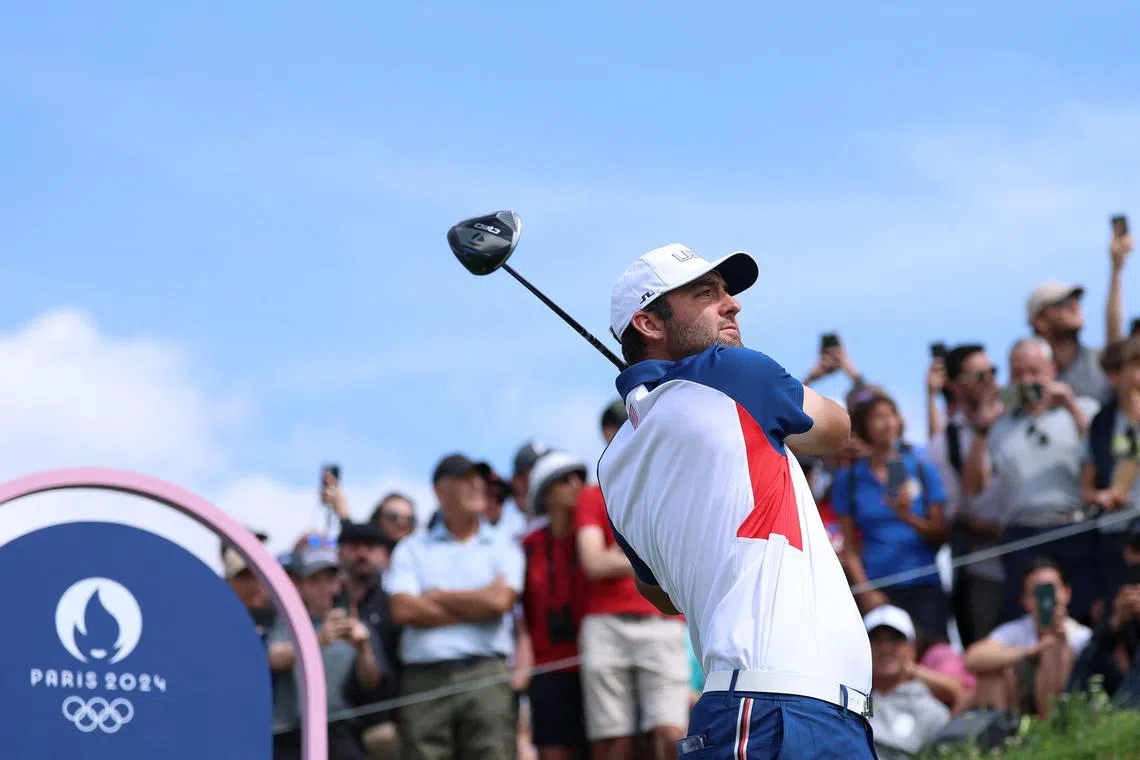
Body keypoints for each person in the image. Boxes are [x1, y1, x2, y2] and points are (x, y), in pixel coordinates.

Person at [597, 243, 875, 758]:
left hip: (792, 708)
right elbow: (837, 428)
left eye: (727, 292)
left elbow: (662, 595)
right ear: (649, 323)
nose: (733, 305)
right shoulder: (734, 372)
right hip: (776, 710)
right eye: (707, 294)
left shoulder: (613, 467)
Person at [518, 451, 592, 760]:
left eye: (580, 477)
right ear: (544, 493)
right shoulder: (527, 546)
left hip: (594, 661)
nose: (577, 485)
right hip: (548, 670)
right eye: (565, 479)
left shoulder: (593, 537)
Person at [964, 557, 1092, 720]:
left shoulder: (1082, 636)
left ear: (1067, 593)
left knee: (1052, 652)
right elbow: (972, 658)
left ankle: (1049, 733)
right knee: (991, 676)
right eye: (1038, 592)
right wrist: (1031, 651)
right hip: (1018, 703)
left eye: (1051, 590)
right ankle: (1003, 737)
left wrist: (1059, 642)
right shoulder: (1016, 630)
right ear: (1025, 601)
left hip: (1061, 708)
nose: (1046, 600)